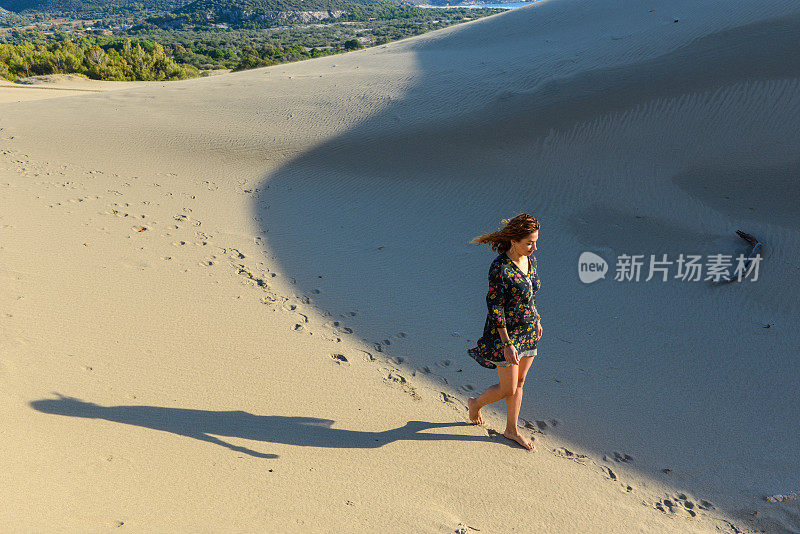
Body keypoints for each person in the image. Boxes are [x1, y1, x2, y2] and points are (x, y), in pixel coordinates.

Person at [466, 213, 542, 450]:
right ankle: (475, 404)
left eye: (536, 241)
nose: (534, 247)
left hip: (528, 329)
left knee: (519, 382)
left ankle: (511, 429)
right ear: (513, 240)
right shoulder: (499, 267)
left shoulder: (530, 261)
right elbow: (495, 306)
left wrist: (537, 318)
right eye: (529, 242)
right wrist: (507, 343)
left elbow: (530, 294)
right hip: (505, 335)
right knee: (507, 387)